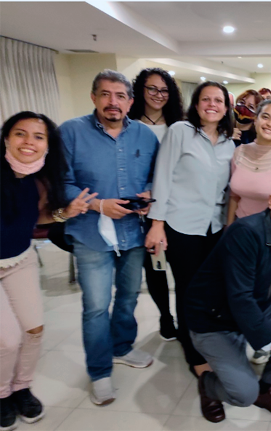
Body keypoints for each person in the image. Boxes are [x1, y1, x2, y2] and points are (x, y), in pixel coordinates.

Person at [61, 70, 159, 405]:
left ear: (130, 101)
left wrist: (149, 194)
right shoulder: (71, 132)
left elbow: (156, 177)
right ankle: (100, 371)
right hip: (90, 234)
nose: (112, 102)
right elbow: (62, 182)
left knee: (129, 297)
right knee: (96, 307)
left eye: (120, 96)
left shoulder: (145, 136)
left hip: (132, 233)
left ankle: (121, 347)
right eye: (105, 94)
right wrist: (98, 205)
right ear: (94, 97)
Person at [186, 174, 271, 423]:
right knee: (243, 394)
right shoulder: (245, 233)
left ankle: (268, 389)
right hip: (214, 320)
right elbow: (240, 297)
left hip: (254, 308)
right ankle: (208, 385)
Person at [0, 112, 94, 430]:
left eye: (38, 137)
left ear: (47, 145)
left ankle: (21, 387)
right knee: (7, 340)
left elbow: (37, 218)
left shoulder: (40, 179)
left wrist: (65, 213)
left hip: (20, 259)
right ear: (6, 138)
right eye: (20, 134)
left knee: (34, 330)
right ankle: (1, 394)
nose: (29, 142)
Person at [145, 81, 235, 379]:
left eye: (218, 100)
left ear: (226, 108)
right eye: (206, 99)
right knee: (188, 289)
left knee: (209, 288)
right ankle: (192, 348)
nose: (212, 105)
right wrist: (157, 224)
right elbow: (162, 177)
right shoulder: (179, 132)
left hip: (214, 227)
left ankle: (205, 336)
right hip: (181, 224)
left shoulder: (229, 143)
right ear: (196, 105)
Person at [129, 67, 184, 341]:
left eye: (164, 90)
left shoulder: (179, 125)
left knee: (181, 268)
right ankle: (165, 316)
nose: (158, 95)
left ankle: (186, 317)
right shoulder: (129, 124)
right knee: (154, 268)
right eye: (152, 88)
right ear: (140, 90)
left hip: (176, 207)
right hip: (143, 210)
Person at [228, 100, 271, 225]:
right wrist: (228, 228)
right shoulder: (239, 152)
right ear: (255, 120)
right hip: (239, 225)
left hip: (268, 227)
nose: (270, 124)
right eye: (265, 117)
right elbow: (234, 196)